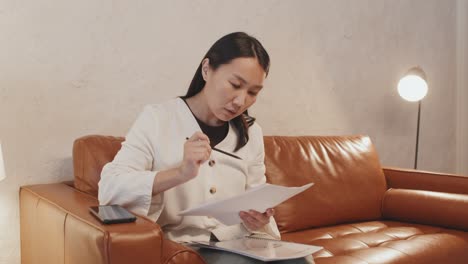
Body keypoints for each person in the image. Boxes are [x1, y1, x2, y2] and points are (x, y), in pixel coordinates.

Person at [98, 32, 310, 263]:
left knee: (301, 261)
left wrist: (257, 218)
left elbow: (255, 197)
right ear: (207, 69)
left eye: (252, 93)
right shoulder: (158, 119)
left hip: (241, 241)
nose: (241, 101)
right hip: (184, 245)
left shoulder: (251, 132)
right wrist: (180, 174)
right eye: (235, 85)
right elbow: (110, 188)